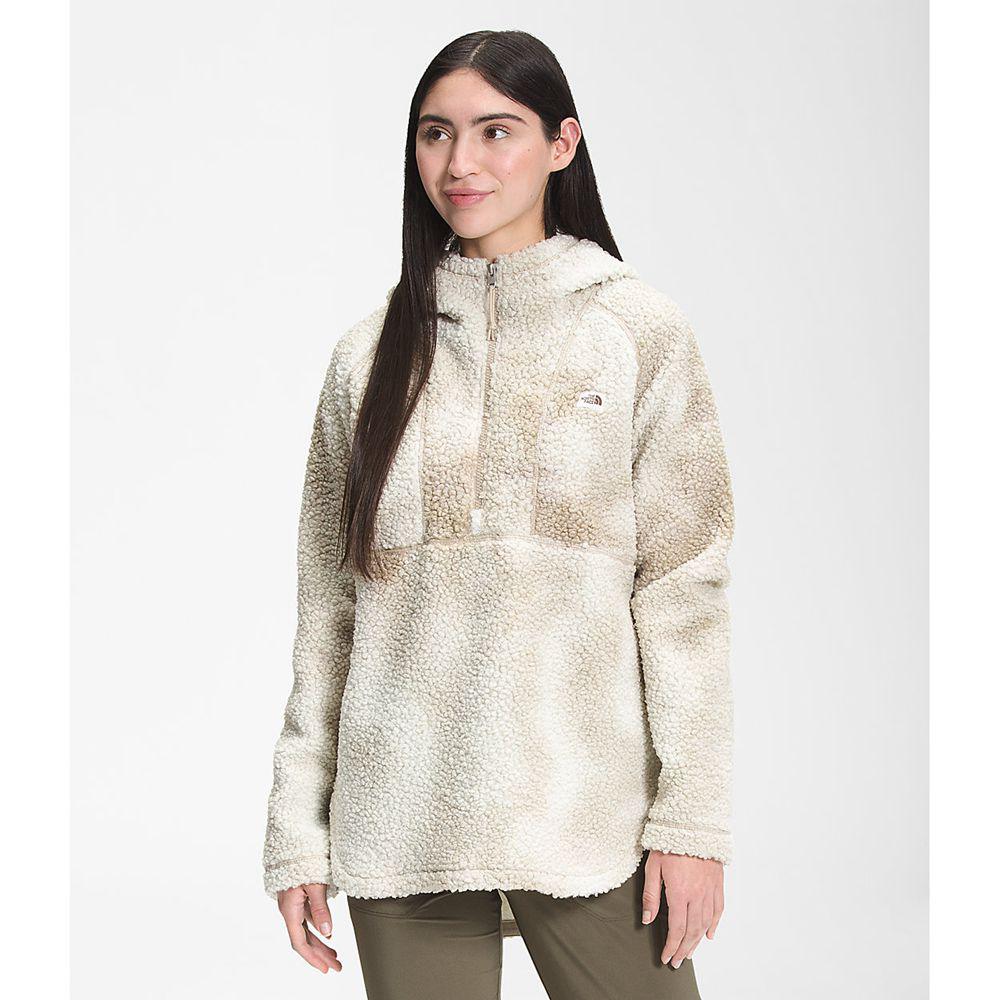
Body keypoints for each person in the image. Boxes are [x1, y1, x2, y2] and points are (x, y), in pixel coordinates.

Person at [261, 29, 735, 1000]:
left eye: (495, 131)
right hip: (401, 814)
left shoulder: (637, 333)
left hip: (588, 813)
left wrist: (691, 822)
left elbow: (684, 591)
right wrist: (297, 828)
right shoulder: (368, 357)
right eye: (435, 133)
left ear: (562, 143)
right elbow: (328, 611)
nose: (460, 163)